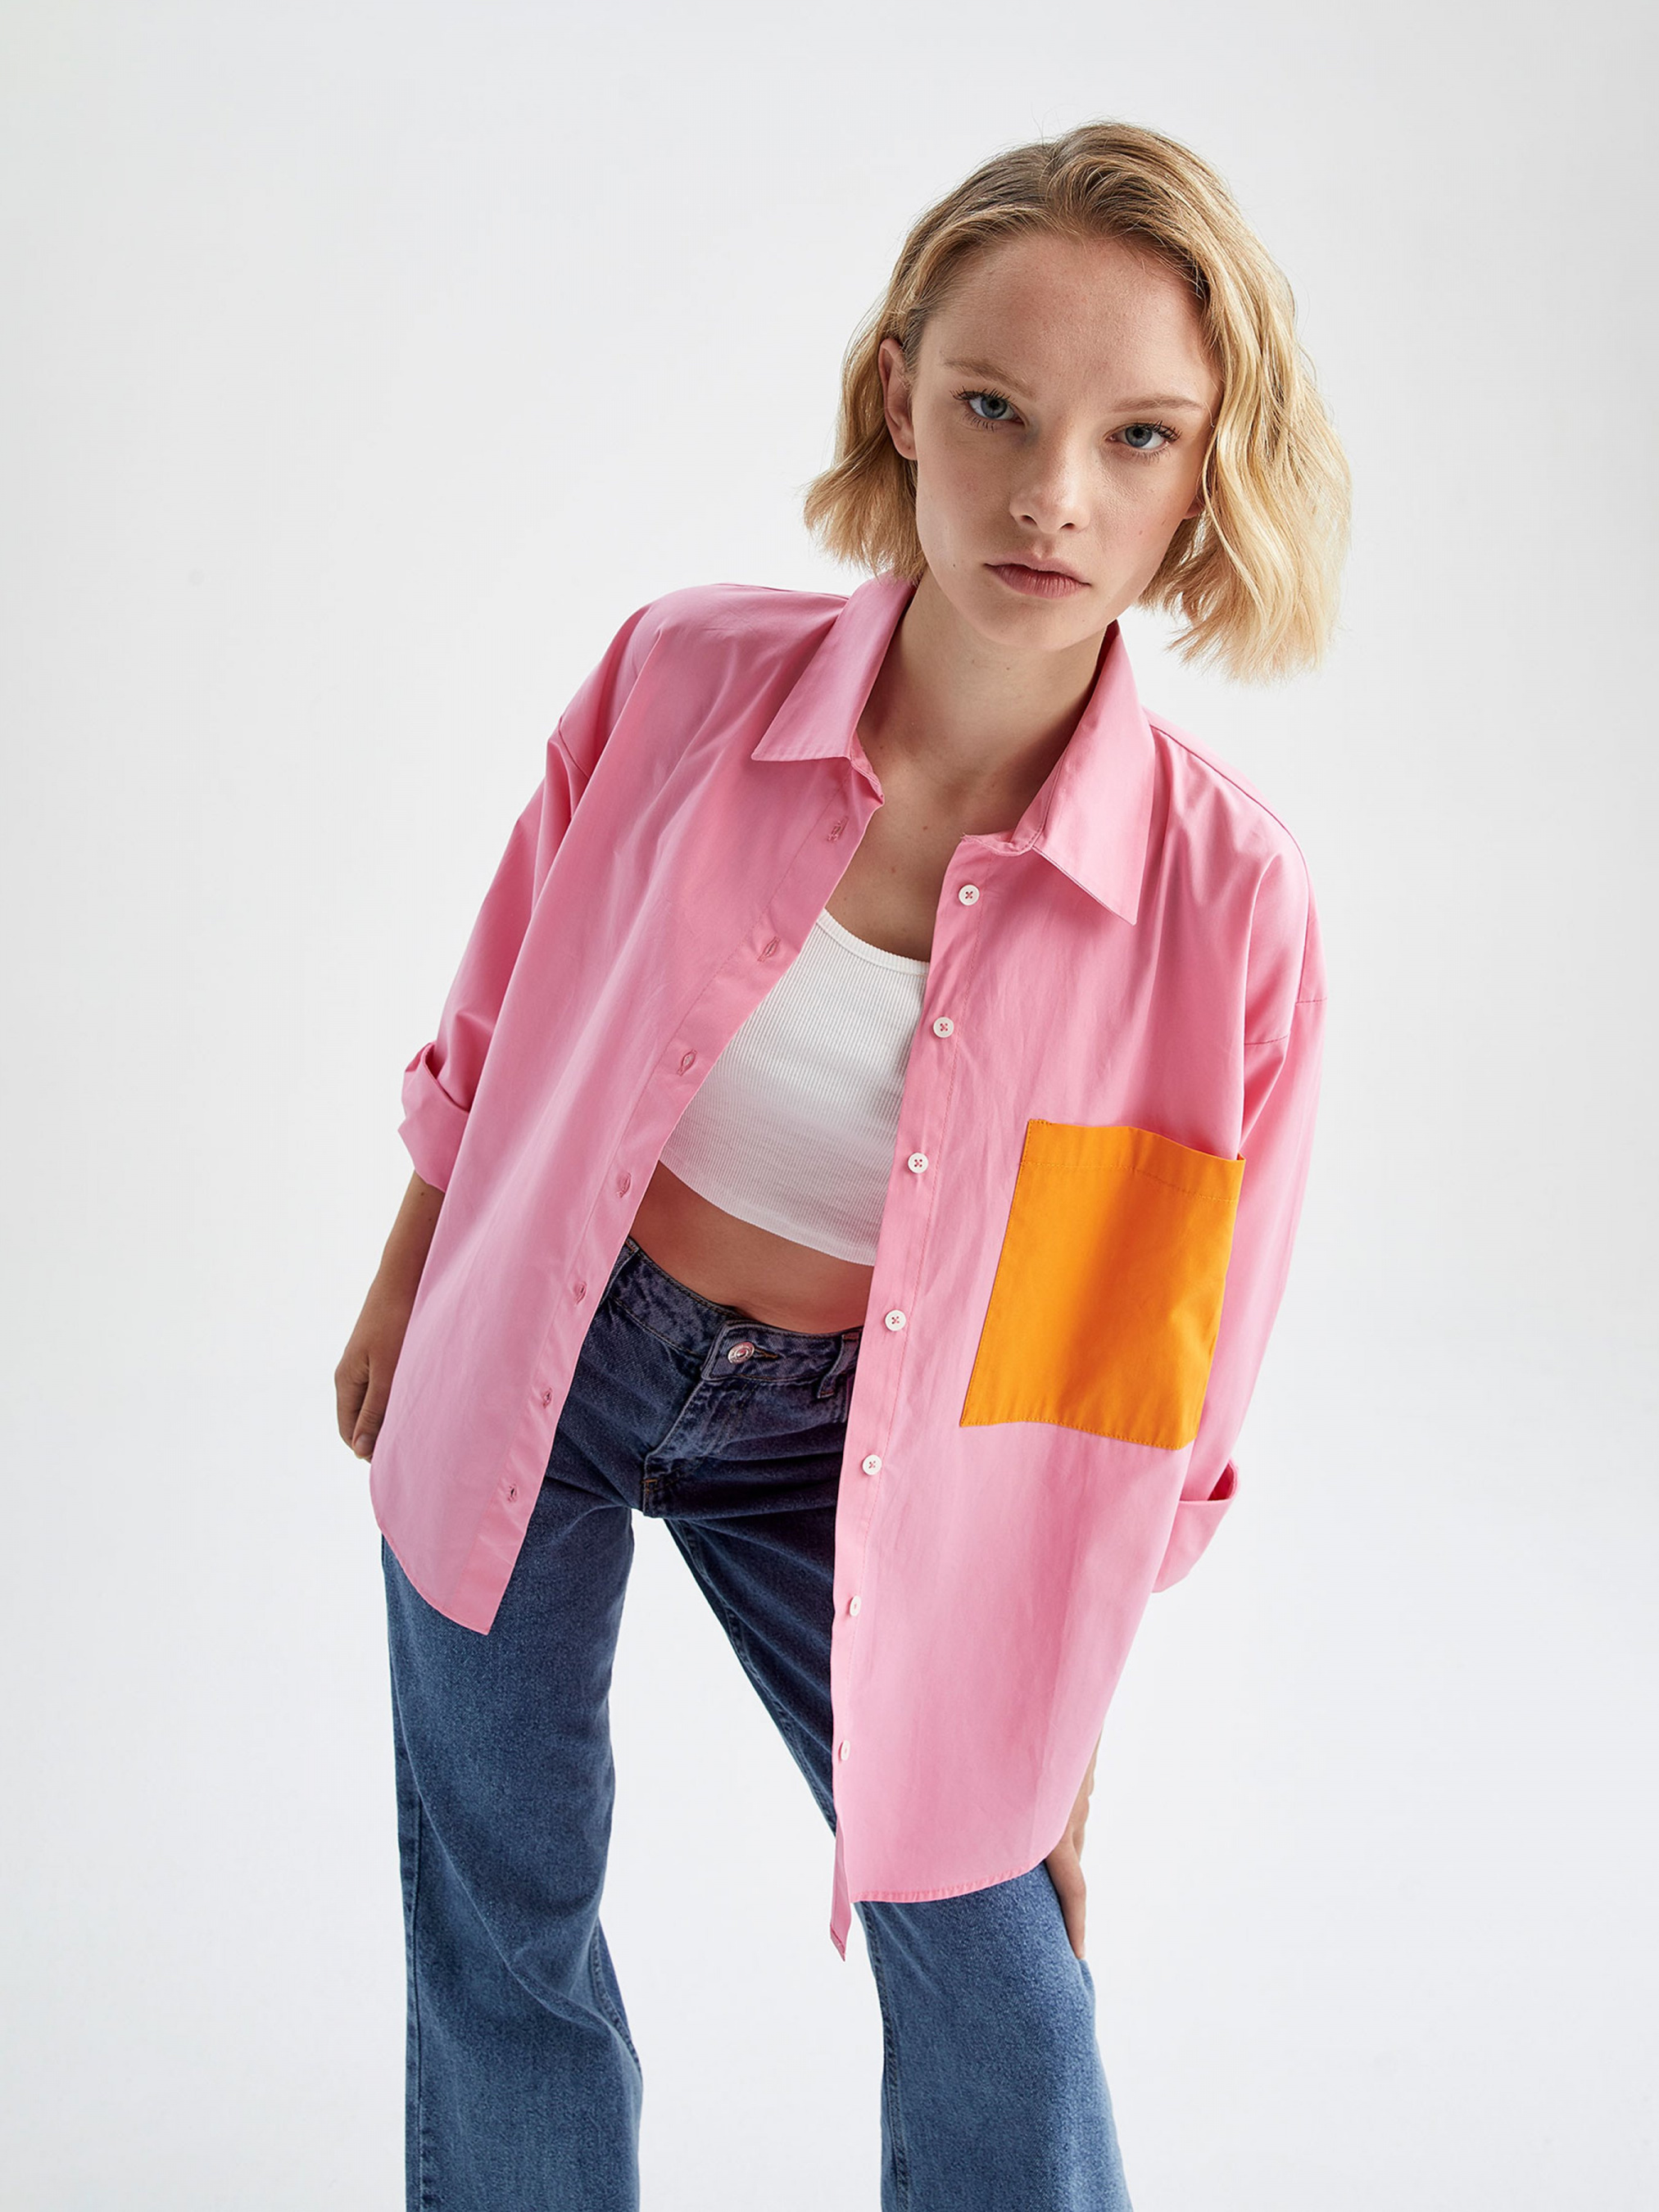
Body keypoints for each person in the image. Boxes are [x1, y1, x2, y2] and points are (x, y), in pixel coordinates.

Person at [334, 116, 1350, 2212]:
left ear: (1205, 471)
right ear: (898, 395)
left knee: (1005, 1996)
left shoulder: (1220, 907)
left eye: (1135, 438)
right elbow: (506, 994)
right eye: (991, 407)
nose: (1049, 495)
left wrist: (1050, 1712)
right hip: (538, 1343)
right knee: (503, 1931)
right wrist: (406, 1272)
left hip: (869, 1448)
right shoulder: (678, 678)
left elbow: (1144, 1378)